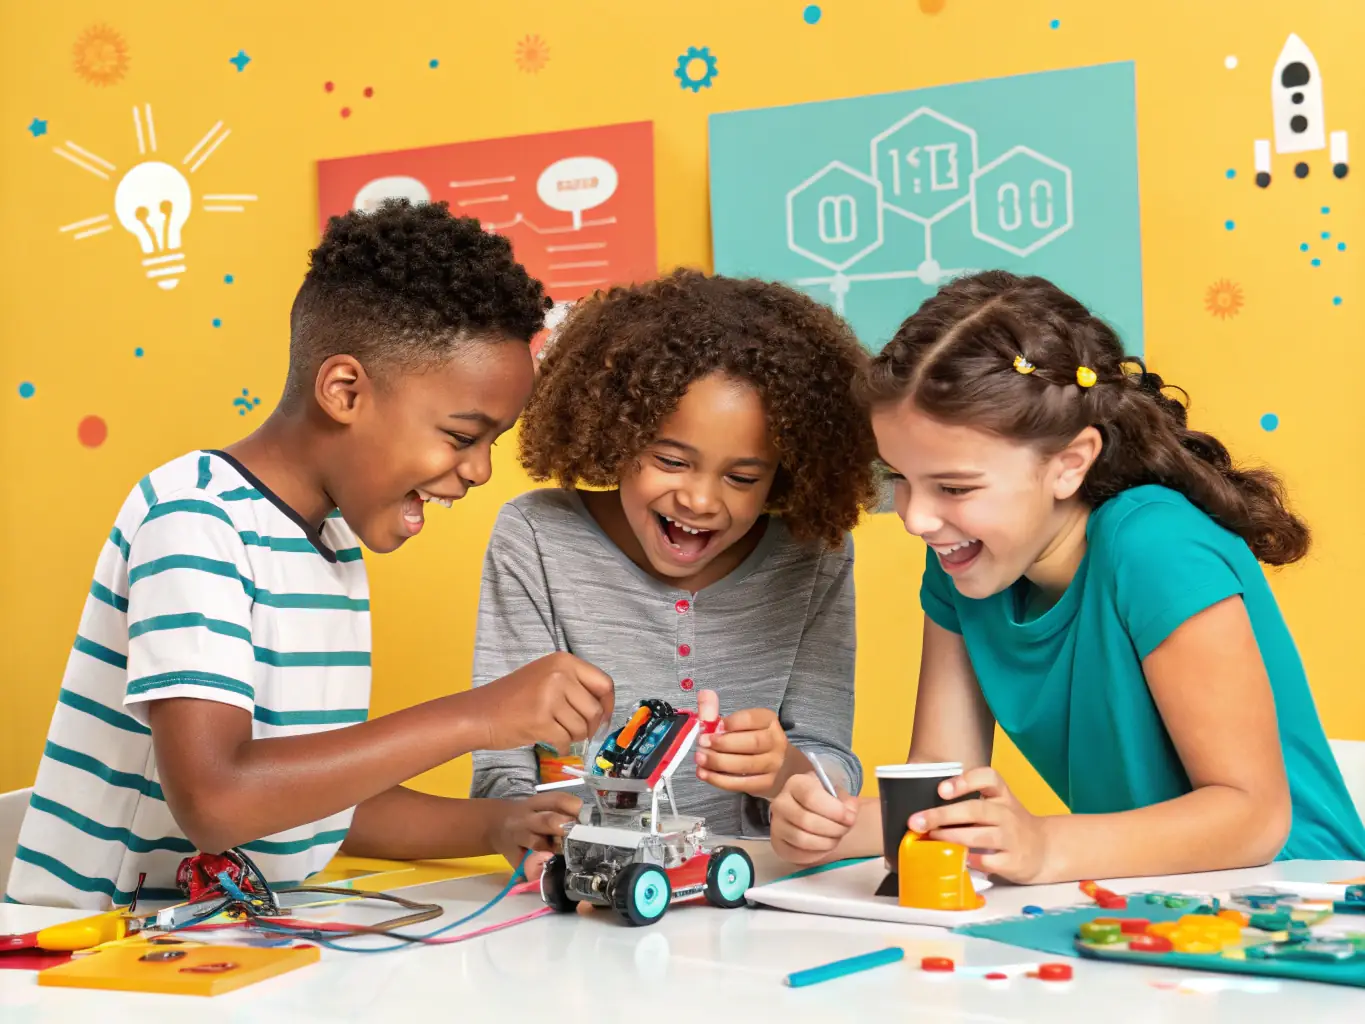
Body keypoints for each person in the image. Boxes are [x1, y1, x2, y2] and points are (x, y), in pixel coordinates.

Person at [7, 200, 612, 909]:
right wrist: (477, 716)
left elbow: (309, 798)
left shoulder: (328, 547)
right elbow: (220, 800)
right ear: (344, 390)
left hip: (218, 948)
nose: (479, 471)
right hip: (90, 966)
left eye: (490, 444)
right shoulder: (195, 521)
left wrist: (497, 823)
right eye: (460, 435)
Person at [769, 270, 1365, 882]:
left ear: (1068, 465)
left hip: (1299, 901)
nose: (917, 518)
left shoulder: (1157, 545)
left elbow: (1252, 818)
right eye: (900, 478)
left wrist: (1044, 846)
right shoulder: (965, 562)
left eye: (953, 487)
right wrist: (834, 826)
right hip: (1149, 902)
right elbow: (943, 789)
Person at [470, 270, 879, 871]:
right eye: (670, 460)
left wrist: (786, 770)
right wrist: (541, 842)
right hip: (586, 885)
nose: (701, 500)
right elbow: (503, 763)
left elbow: (829, 763)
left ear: (786, 472)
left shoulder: (814, 555)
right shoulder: (535, 538)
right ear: (617, 433)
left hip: (747, 888)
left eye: (742, 478)